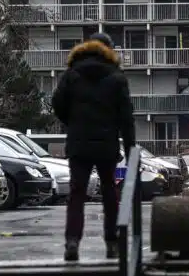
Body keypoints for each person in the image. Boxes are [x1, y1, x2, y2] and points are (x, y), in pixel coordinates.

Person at [52, 32, 135, 261]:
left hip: (79, 143)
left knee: (77, 193)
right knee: (110, 191)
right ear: (109, 50)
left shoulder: (72, 74)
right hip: (106, 143)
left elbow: (57, 104)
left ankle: (72, 242)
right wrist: (130, 149)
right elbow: (126, 117)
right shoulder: (117, 78)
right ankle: (111, 242)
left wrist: (73, 123)